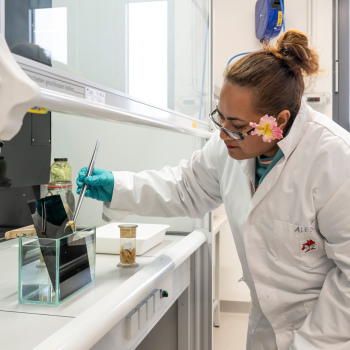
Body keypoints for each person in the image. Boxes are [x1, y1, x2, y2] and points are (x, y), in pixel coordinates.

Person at [77, 29, 350, 350]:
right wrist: (118, 188)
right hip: (264, 326)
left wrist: (308, 345)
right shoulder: (229, 146)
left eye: (236, 127)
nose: (223, 135)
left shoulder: (333, 159)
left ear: (278, 121)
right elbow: (184, 189)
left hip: (322, 332)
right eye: (220, 118)